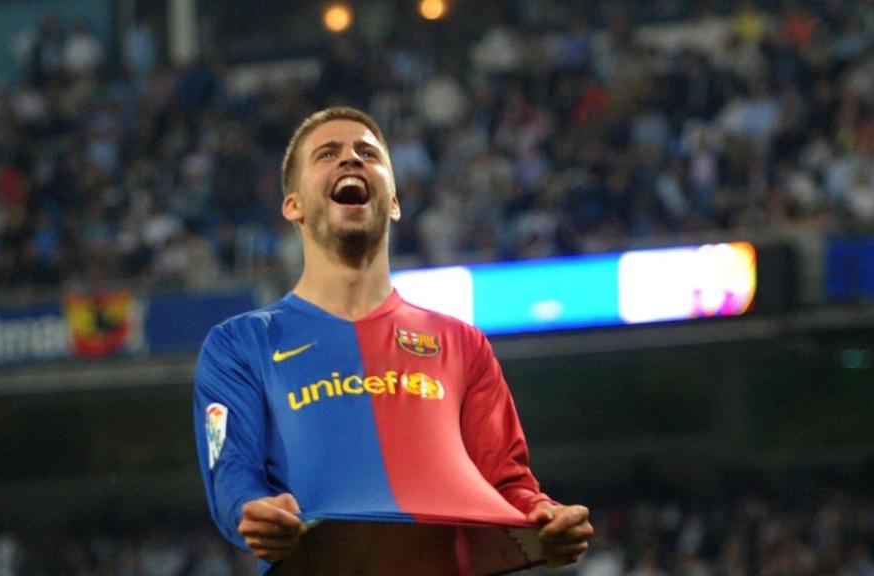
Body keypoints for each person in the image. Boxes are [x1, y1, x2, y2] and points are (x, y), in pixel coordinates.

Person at [193, 107, 593, 575]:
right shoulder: (240, 344)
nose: (351, 161)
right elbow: (231, 471)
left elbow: (508, 481)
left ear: (395, 202)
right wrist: (249, 508)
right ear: (293, 204)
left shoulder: (461, 344)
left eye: (368, 153)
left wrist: (545, 514)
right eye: (328, 153)